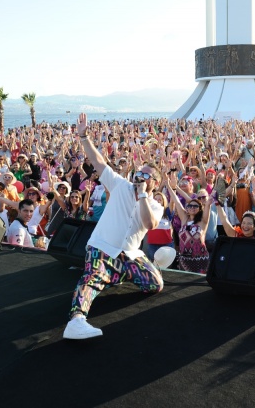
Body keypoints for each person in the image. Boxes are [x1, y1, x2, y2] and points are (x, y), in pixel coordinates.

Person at [63, 113, 164, 340]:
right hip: (102, 247)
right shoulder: (120, 185)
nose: (140, 177)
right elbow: (99, 162)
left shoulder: (155, 205)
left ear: (155, 183)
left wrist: (143, 197)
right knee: (91, 278)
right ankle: (76, 320)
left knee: (154, 285)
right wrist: (83, 135)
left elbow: (149, 224)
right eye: (139, 173)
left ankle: (114, 275)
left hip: (128, 254)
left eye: (146, 176)